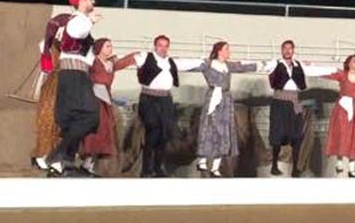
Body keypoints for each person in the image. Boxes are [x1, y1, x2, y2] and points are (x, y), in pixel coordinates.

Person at [182, 41, 265, 178]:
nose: (229, 51)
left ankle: (216, 167)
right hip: (214, 98)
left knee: (224, 131)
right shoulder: (208, 64)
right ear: (219, 51)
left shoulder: (228, 65)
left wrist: (262, 65)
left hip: (226, 99)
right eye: (226, 49)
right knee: (209, 128)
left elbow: (243, 66)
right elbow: (191, 66)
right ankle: (202, 161)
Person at [45, 0, 102, 177]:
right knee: (91, 116)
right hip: (74, 74)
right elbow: (77, 33)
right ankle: (57, 155)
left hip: (76, 74)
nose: (93, 2)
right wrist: (89, 20)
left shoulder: (78, 20)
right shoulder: (77, 20)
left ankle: (65, 165)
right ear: (81, 1)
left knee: (75, 119)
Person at [132, 35, 202, 177]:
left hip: (165, 99)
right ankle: (146, 169)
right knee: (153, 130)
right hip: (149, 98)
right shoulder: (146, 57)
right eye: (160, 45)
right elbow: (129, 59)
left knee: (164, 134)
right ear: (155, 46)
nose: (163, 48)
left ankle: (158, 167)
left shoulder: (171, 61)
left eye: (165, 46)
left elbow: (189, 63)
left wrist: (207, 61)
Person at [266, 40, 337, 177]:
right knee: (277, 135)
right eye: (285, 48)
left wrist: (334, 69)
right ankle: (274, 165)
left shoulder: (299, 65)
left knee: (296, 136)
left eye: (290, 48)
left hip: (294, 102)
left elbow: (315, 70)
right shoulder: (275, 64)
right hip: (279, 102)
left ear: (293, 50)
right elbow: (260, 66)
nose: (287, 51)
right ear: (281, 50)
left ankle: (295, 169)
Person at [78, 38, 139, 176]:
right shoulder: (93, 62)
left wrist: (136, 56)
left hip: (106, 101)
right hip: (94, 101)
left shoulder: (110, 64)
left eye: (111, 46)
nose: (110, 48)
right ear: (99, 48)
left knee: (105, 133)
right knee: (95, 132)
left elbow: (123, 62)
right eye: (107, 46)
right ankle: (87, 163)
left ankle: (90, 165)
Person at [31, 11, 72, 171]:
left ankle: (56, 156)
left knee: (63, 123)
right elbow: (47, 67)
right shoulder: (51, 45)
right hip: (56, 82)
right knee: (50, 119)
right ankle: (46, 155)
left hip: (66, 81)